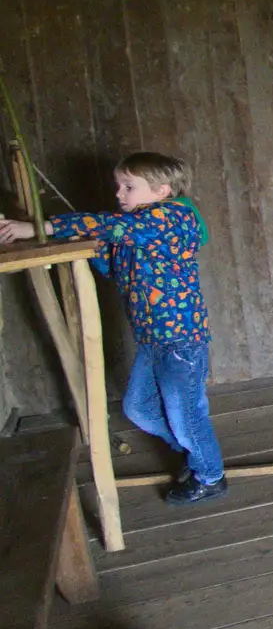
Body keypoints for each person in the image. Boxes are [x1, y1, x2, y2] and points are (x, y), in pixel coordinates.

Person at [0, 152, 227, 505]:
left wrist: (39, 227)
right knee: (138, 408)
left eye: (129, 187)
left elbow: (111, 227)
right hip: (153, 339)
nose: (119, 193)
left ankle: (211, 477)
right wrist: (91, 249)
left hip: (182, 339)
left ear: (162, 191)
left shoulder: (171, 218)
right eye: (118, 186)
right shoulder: (136, 228)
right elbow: (115, 267)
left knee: (187, 415)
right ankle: (191, 453)